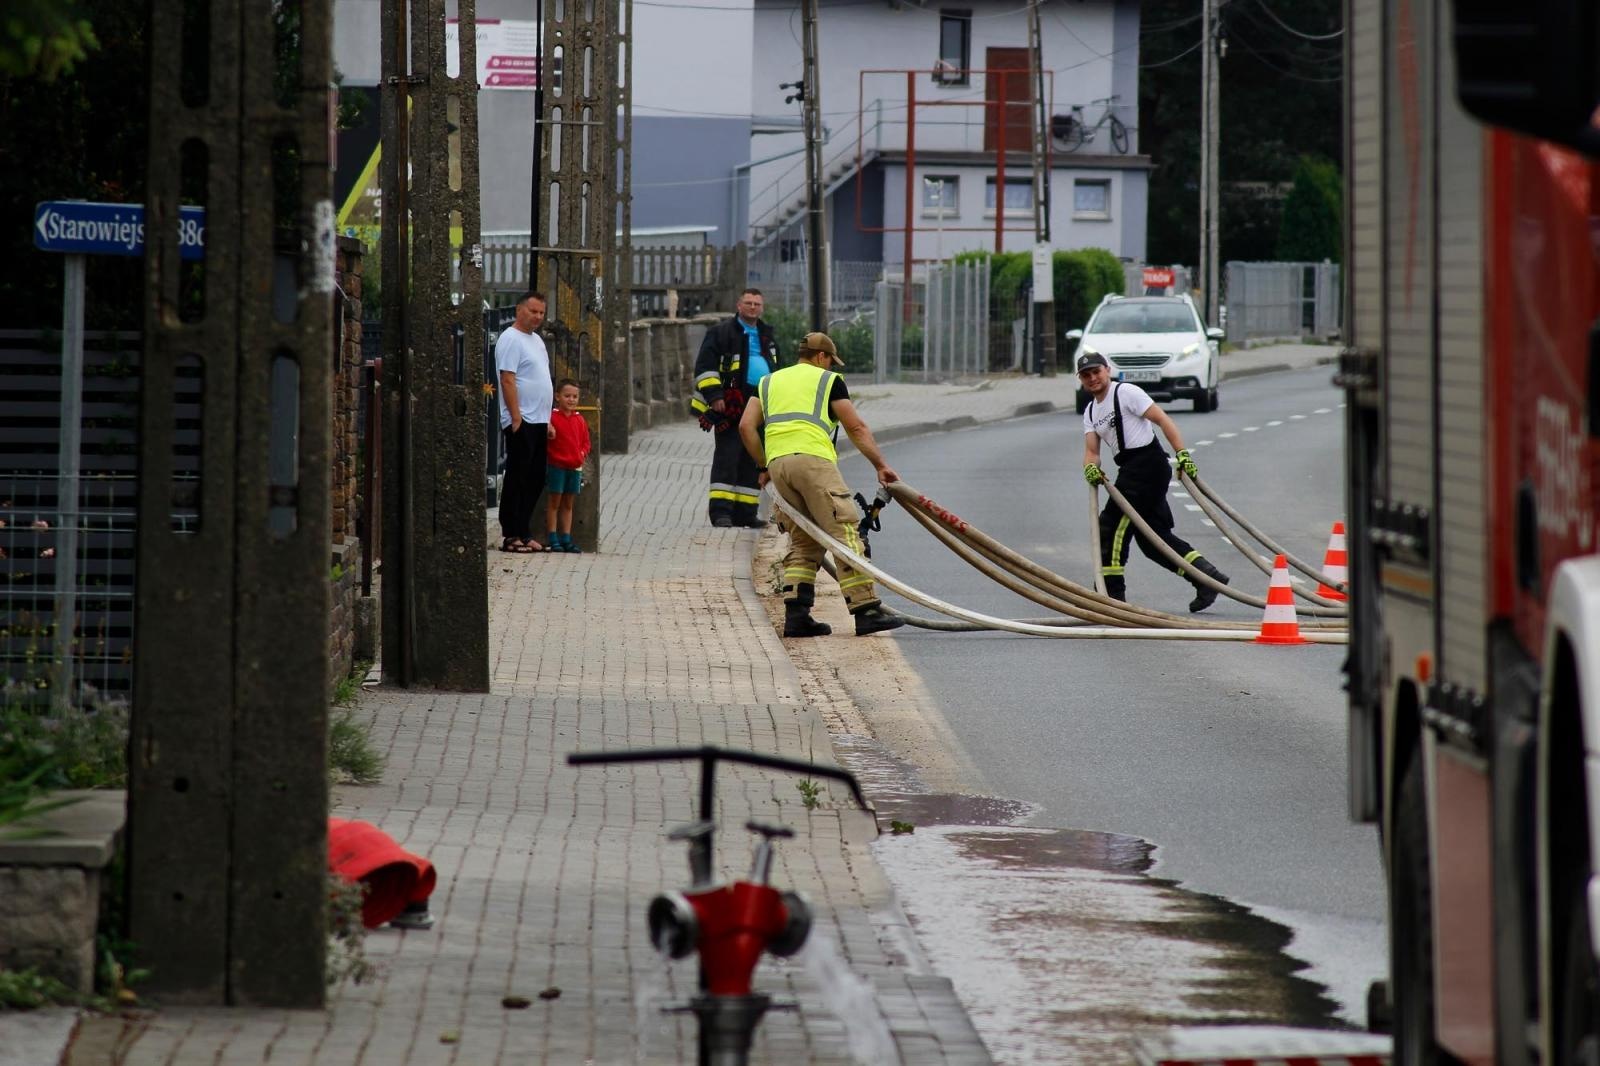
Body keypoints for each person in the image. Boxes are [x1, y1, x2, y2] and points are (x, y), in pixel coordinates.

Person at [738, 332, 905, 638]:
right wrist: (881, 465)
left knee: (804, 540)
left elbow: (746, 426)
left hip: (780, 467)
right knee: (845, 532)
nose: (831, 366)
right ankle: (866, 610)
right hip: (813, 463)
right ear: (821, 357)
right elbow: (855, 426)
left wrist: (764, 466)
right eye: (830, 361)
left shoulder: (768, 382)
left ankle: (797, 615)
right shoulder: (829, 381)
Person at [1078, 351, 1230, 611]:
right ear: (1080, 379)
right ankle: (1207, 578)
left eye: (1096, 372)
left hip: (1147, 466)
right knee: (1153, 541)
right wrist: (1090, 469)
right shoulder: (1091, 411)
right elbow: (1092, 452)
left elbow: (1161, 419)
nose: (1093, 378)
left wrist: (1182, 454)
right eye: (1086, 375)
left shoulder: (1126, 393)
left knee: (1110, 529)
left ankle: (1111, 597)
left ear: (1107, 371)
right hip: (1129, 468)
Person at [693, 287, 778, 528]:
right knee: (728, 458)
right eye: (748, 303)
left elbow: (778, 368)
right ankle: (721, 513)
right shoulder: (721, 333)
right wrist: (715, 395)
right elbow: (705, 367)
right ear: (739, 306)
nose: (753, 307)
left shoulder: (767, 335)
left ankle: (746, 513)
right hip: (732, 403)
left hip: (760, 400)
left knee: (753, 459)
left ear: (762, 308)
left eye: (757, 304)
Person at [496, 290, 556, 553]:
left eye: (541, 313)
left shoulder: (537, 341)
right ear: (519, 310)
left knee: (536, 476)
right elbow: (507, 379)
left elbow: (542, 378)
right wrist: (516, 416)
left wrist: (549, 418)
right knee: (518, 476)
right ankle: (510, 533)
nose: (538, 317)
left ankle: (524, 529)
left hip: (540, 419)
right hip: (522, 419)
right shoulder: (511, 339)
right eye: (533, 311)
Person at [544, 379, 592, 553]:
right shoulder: (552, 417)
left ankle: (566, 536)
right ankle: (552, 536)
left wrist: (581, 454)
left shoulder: (580, 420)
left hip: (574, 466)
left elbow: (586, 442)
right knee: (554, 502)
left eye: (575, 396)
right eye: (567, 396)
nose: (571, 400)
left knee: (569, 503)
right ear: (558, 397)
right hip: (556, 465)